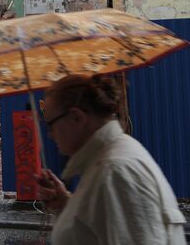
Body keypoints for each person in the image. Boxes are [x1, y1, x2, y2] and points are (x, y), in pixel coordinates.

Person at [36, 75, 187, 244]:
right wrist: (65, 205)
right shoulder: (111, 159)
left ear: (77, 117)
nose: (49, 134)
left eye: (50, 124)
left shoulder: (114, 172)